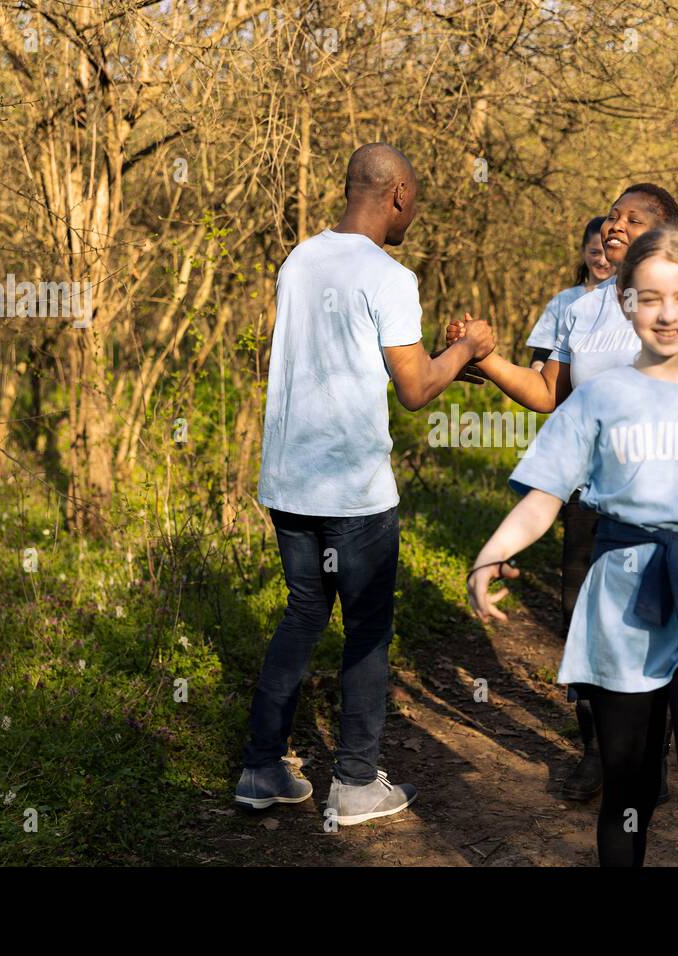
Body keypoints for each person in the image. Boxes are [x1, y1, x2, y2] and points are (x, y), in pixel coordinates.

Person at [468, 228, 678, 866]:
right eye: (650, 299)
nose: (667, 314)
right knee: (629, 790)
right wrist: (489, 554)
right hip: (621, 606)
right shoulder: (598, 397)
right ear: (625, 302)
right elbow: (544, 496)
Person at [447, 184, 678, 803]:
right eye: (613, 214)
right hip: (591, 499)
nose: (615, 225)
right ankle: (603, 753)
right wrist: (487, 358)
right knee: (588, 622)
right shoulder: (577, 308)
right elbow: (549, 396)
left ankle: (658, 760)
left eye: (633, 219)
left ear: (663, 234)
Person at [234, 143, 496, 826]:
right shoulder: (388, 275)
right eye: (417, 201)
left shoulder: (300, 259)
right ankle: (354, 783)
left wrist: (447, 359)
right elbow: (413, 389)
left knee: (302, 614)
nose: (415, 213)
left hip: (289, 482)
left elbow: (355, 358)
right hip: (353, 491)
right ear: (399, 195)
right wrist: (469, 351)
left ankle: (261, 768)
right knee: (368, 630)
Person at [526, 216, 614, 371]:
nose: (602, 261)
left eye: (607, 253)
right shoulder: (563, 301)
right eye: (595, 252)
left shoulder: (631, 299)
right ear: (583, 251)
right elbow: (541, 355)